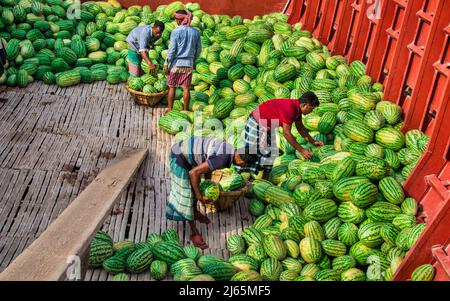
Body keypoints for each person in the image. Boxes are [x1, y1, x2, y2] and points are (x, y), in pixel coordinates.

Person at [166, 136, 258, 249]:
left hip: (187, 154)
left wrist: (208, 183)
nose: (242, 166)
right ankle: (194, 233)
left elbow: (208, 165)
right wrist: (199, 197)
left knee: (196, 188)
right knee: (188, 196)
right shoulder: (223, 159)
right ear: (241, 160)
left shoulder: (229, 149)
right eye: (244, 165)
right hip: (179, 157)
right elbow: (193, 173)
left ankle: (195, 213)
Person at [234, 92, 323, 179]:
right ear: (304, 105)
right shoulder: (290, 109)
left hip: (266, 126)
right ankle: (238, 178)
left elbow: (300, 128)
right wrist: (301, 150)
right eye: (311, 108)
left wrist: (313, 142)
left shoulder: (297, 110)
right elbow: (286, 133)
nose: (311, 111)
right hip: (256, 122)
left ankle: (265, 180)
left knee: (269, 152)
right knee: (249, 153)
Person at [164, 10, 202, 113]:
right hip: (188, 64)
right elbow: (199, 50)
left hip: (176, 64)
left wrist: (166, 63)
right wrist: (193, 60)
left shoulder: (175, 32)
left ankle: (170, 109)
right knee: (186, 88)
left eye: (176, 19)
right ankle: (185, 110)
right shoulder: (196, 32)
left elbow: (172, 50)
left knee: (172, 86)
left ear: (179, 20)